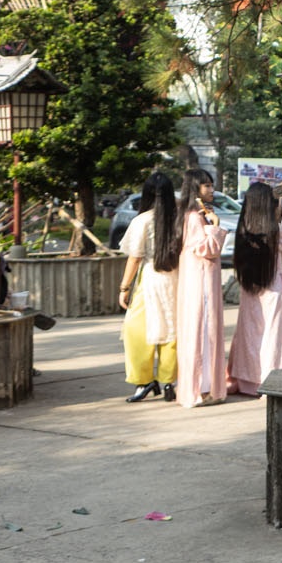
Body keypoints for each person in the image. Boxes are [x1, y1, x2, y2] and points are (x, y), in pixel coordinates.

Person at [227, 181, 282, 398]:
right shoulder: (276, 230)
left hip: (249, 289)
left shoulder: (242, 231)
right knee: (273, 336)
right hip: (272, 289)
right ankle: (271, 379)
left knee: (249, 334)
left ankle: (248, 379)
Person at [117, 173, 180, 404]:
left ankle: (143, 381)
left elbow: (134, 258)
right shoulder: (180, 219)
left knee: (136, 331)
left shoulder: (142, 220)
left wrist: (124, 287)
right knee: (171, 330)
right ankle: (167, 380)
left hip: (151, 278)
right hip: (176, 279)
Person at [173, 168, 229, 408]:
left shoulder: (193, 214)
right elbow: (207, 249)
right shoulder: (195, 217)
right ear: (194, 188)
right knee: (203, 332)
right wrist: (215, 226)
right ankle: (201, 389)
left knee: (201, 332)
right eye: (206, 185)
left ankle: (202, 387)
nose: (211, 189)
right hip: (201, 280)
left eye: (211, 185)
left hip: (198, 279)